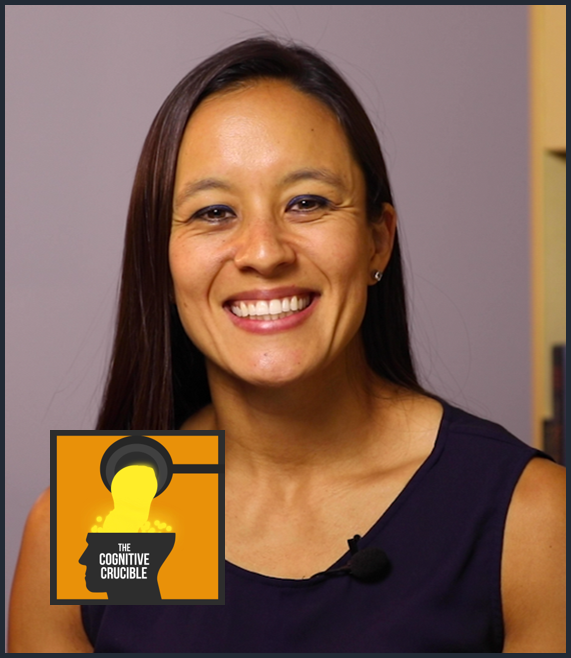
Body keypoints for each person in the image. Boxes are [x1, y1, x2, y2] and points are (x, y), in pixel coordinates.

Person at [9, 37, 565, 653]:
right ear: (160, 263)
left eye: (307, 203)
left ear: (378, 241)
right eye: (214, 212)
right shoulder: (86, 523)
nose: (265, 252)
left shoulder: (528, 515)